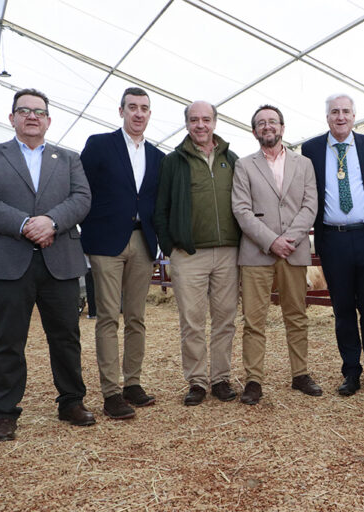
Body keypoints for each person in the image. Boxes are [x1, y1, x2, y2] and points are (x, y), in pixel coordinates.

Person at [0, 88, 95, 442]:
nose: (32, 116)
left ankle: (71, 401)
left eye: (39, 111)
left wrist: (51, 222)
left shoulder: (68, 158)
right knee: (8, 339)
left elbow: (82, 198)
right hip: (8, 259)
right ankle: (5, 412)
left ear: (49, 120)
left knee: (66, 336)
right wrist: (25, 224)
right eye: (24, 110)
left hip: (60, 259)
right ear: (12, 118)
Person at [80, 87, 164, 420]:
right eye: (133, 107)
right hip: (106, 244)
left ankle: (133, 384)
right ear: (121, 111)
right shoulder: (99, 145)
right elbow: (82, 190)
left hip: (143, 242)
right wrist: (89, 231)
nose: (138, 113)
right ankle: (111, 393)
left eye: (144, 108)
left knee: (136, 317)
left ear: (149, 113)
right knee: (107, 317)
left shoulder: (158, 156)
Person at [301, 94, 364, 396]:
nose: (340, 117)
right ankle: (350, 372)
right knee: (342, 310)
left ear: (355, 116)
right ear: (327, 116)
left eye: (346, 112)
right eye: (334, 112)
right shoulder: (311, 149)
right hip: (332, 238)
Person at [232, 104, 321, 405]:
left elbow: (310, 205)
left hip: (294, 252)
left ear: (282, 127)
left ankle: (300, 374)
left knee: (296, 315)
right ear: (254, 131)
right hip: (257, 254)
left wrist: (290, 239)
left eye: (273, 122)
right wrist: (272, 241)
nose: (267, 126)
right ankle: (254, 380)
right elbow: (241, 210)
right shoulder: (244, 166)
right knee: (254, 320)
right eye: (261, 123)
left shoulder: (304, 164)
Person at [153, 101, 241, 406]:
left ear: (215, 122)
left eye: (206, 119)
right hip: (188, 255)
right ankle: (197, 381)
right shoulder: (173, 162)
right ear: (187, 124)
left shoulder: (231, 159)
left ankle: (221, 378)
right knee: (191, 320)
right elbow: (160, 208)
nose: (200, 125)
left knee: (225, 319)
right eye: (194, 120)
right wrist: (171, 247)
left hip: (228, 252)